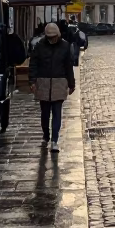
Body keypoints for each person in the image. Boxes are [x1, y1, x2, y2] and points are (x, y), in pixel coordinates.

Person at [30, 23, 76, 153]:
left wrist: (71, 84)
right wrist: (32, 81)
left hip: (59, 82)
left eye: (54, 36)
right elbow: (34, 64)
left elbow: (69, 67)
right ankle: (46, 135)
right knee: (45, 113)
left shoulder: (65, 46)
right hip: (43, 82)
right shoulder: (40, 46)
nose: (52, 39)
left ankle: (55, 140)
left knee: (57, 113)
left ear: (58, 35)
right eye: (49, 37)